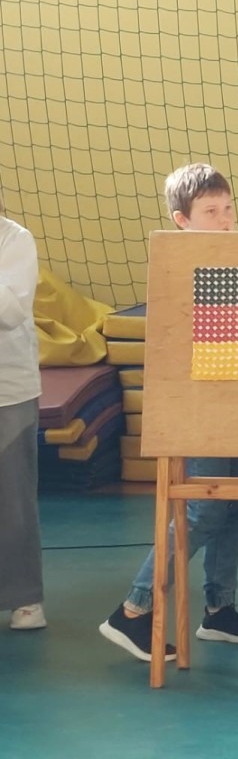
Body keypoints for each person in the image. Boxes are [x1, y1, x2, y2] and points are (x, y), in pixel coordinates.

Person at [100, 164, 238, 662]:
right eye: (211, 211)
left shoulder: (236, 262)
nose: (225, 219)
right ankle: (133, 609)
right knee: (204, 507)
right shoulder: (177, 268)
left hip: (235, 399)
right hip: (197, 405)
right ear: (182, 220)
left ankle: (220, 610)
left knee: (233, 506)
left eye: (228, 209)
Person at [0, 198, 45, 632]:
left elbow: (11, 311)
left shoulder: (15, 240)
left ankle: (25, 598)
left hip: (8, 389)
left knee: (13, 498)